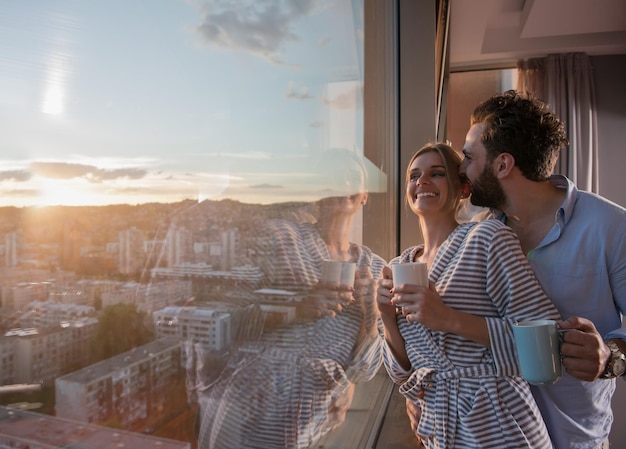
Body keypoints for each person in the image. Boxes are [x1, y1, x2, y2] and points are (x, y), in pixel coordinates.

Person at [451, 90, 625, 449]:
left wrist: (610, 357)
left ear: (502, 165)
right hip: (493, 439)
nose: (461, 168)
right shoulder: (477, 236)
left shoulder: (612, 226)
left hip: (577, 439)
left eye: (469, 157)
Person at [192, 148, 386, 449]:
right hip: (254, 406)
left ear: (364, 195)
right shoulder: (279, 236)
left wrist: (371, 311)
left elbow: (363, 370)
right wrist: (294, 308)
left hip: (317, 416)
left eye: (351, 175)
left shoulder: (374, 267)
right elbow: (218, 318)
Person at [376, 142, 561, 448]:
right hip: (438, 426)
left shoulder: (487, 238)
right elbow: (401, 374)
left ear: (464, 188)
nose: (421, 182)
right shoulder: (399, 267)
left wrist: (449, 318)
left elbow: (546, 340)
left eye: (436, 174)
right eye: (414, 176)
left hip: (499, 422)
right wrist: (386, 318)